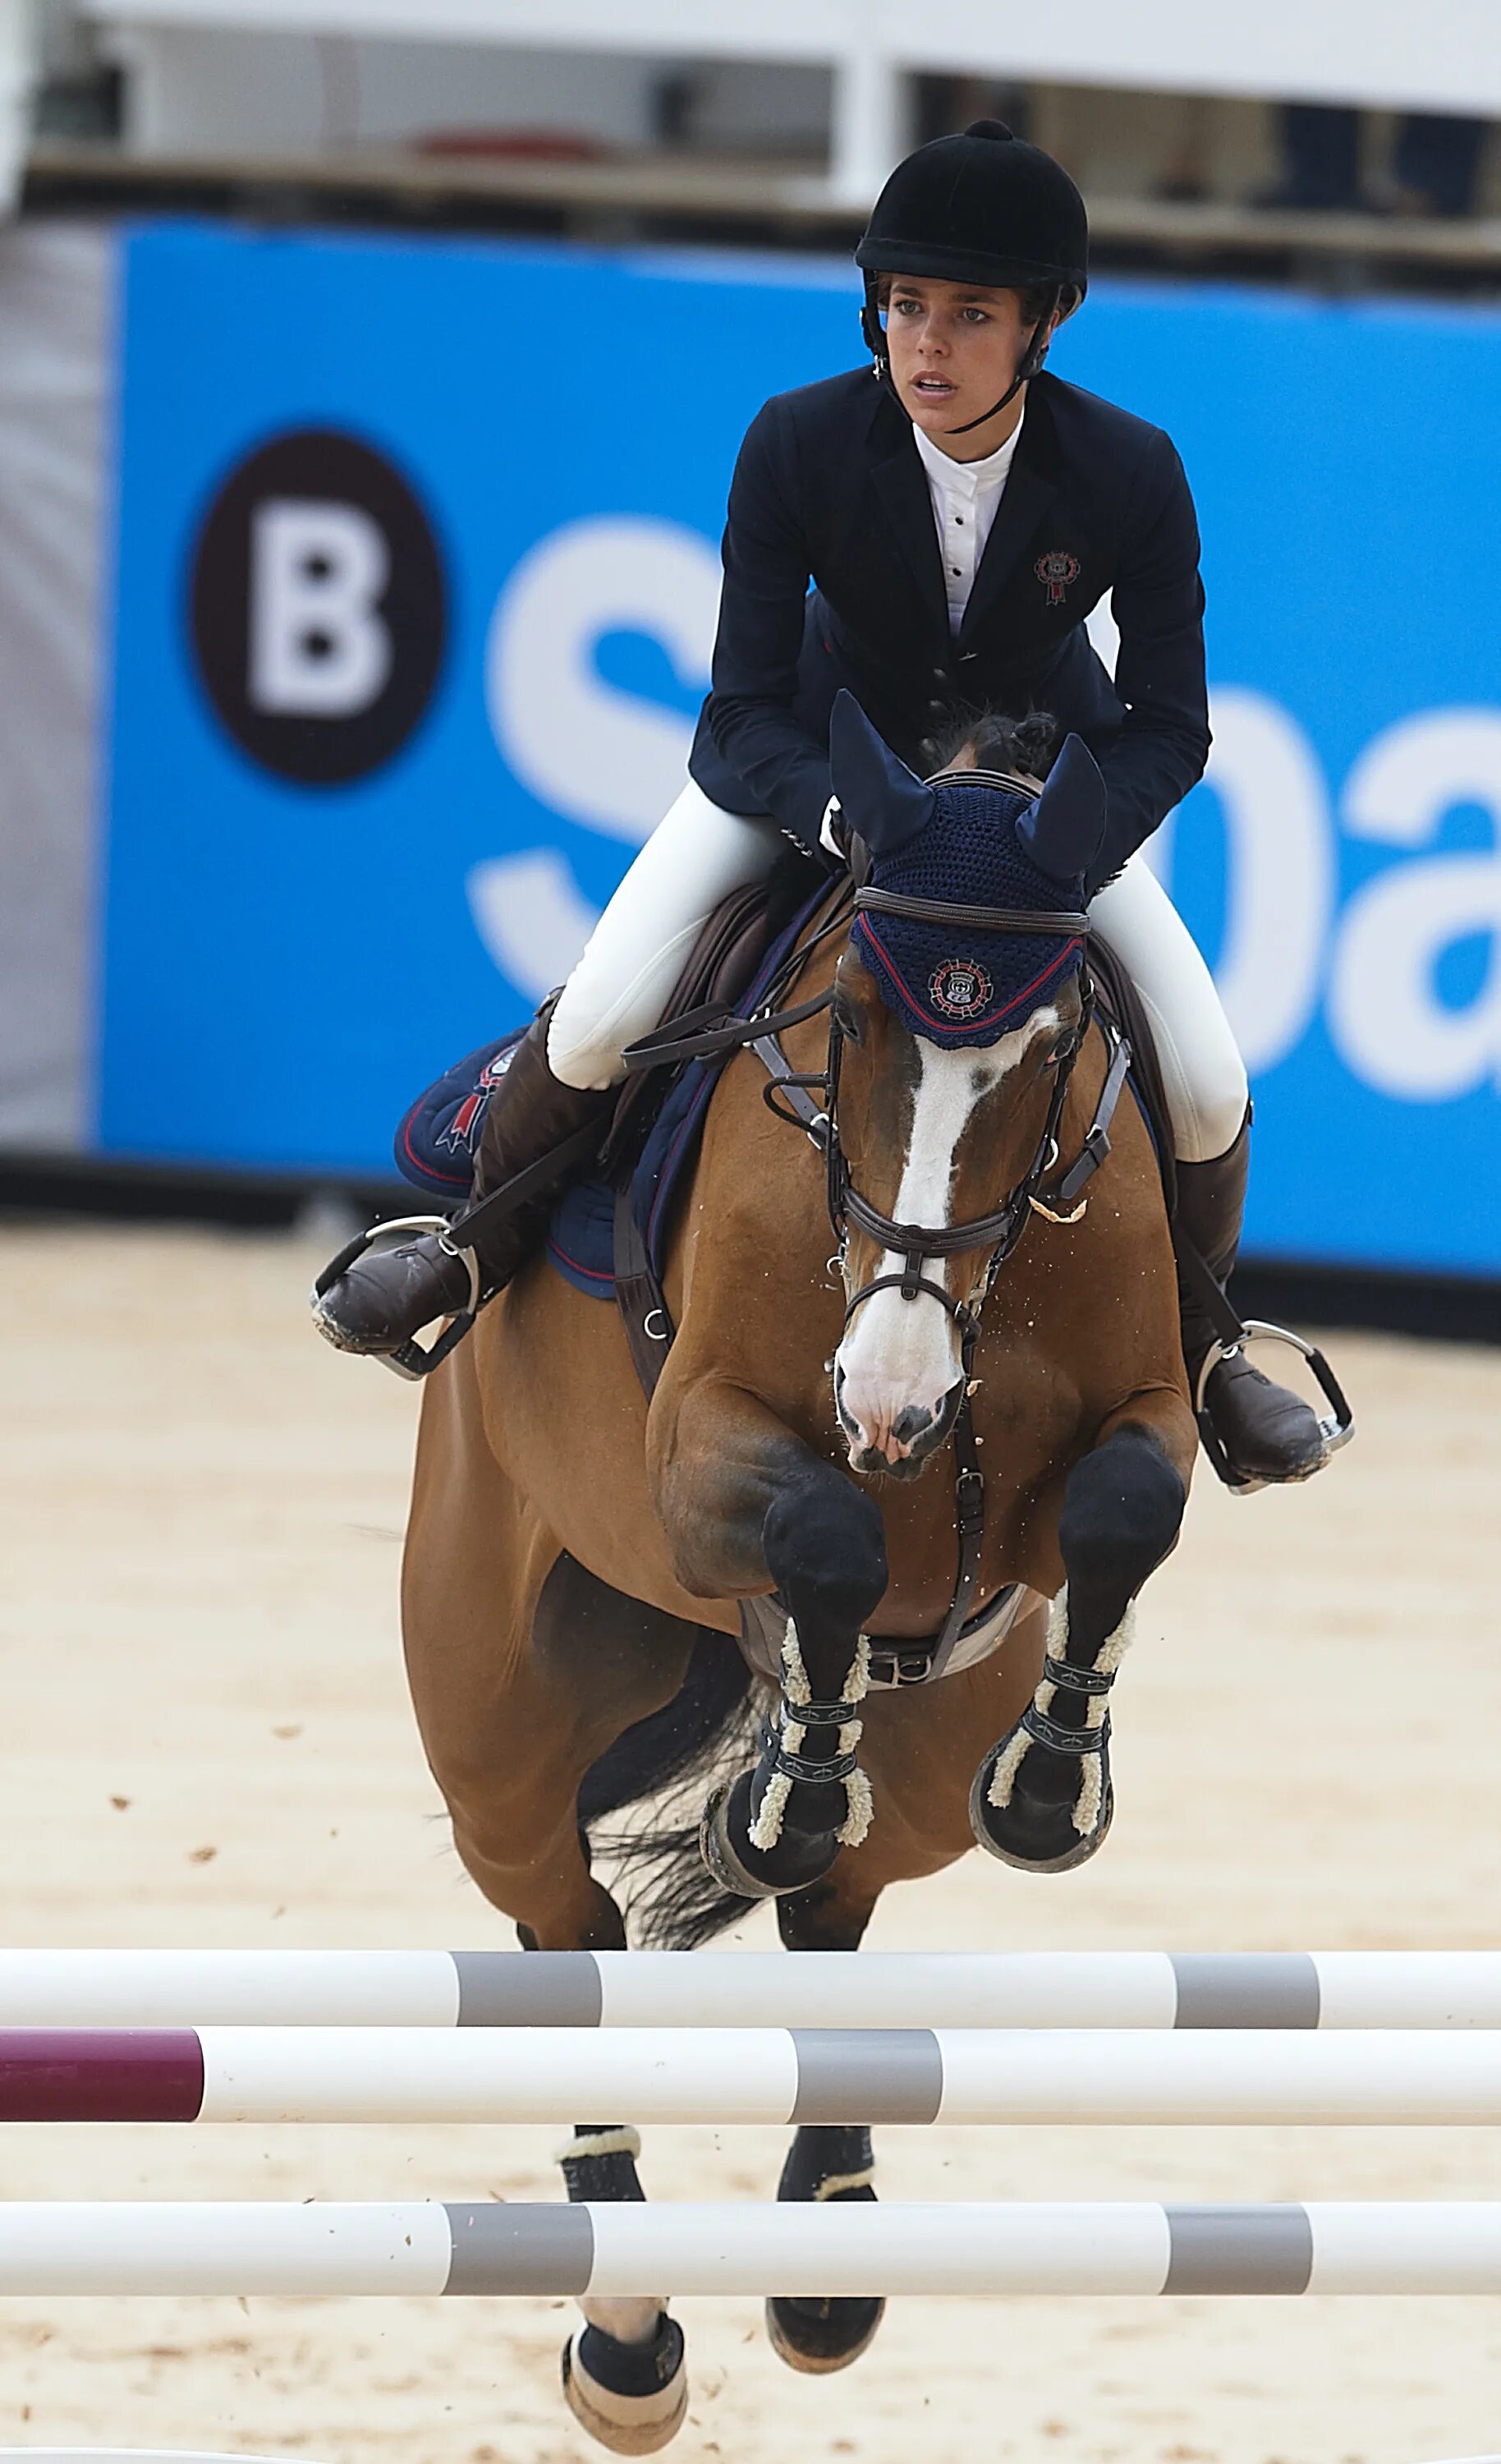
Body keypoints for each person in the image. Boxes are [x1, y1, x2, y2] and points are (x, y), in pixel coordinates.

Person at [314, 117, 1325, 1487]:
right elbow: (737, 711)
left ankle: (1208, 1362)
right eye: (907, 307)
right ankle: (469, 1248)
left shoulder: (1129, 468)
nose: (929, 344)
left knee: (1208, 1082)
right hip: (809, 776)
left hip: (1035, 816)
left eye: (971, 316)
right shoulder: (797, 442)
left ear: (1044, 325)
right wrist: (846, 824)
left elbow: (1168, 725)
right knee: (612, 1004)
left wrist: (1065, 844)